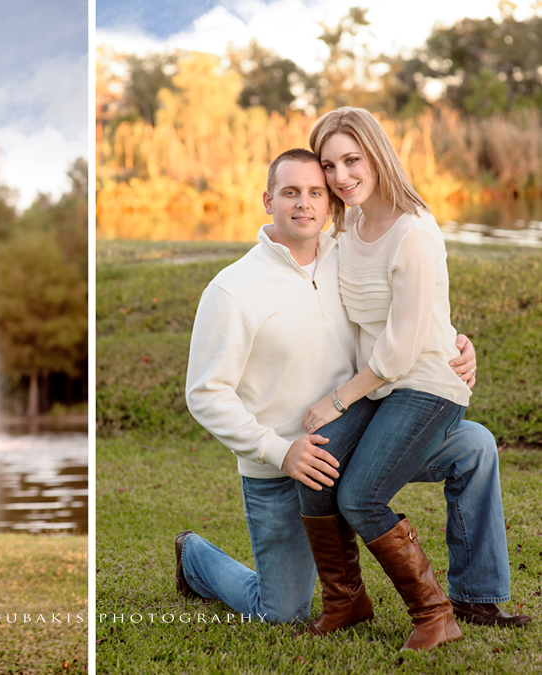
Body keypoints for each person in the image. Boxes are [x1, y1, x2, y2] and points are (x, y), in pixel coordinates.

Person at [179, 149, 529, 647]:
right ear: (267, 201)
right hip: (282, 467)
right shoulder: (233, 290)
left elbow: (404, 314)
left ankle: (476, 595)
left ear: (328, 202)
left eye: (315, 192)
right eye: (291, 193)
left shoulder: (346, 255)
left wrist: (454, 341)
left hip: (362, 433)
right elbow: (205, 394)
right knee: (281, 612)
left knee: (474, 446)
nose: (304, 204)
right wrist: (281, 450)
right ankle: (194, 555)